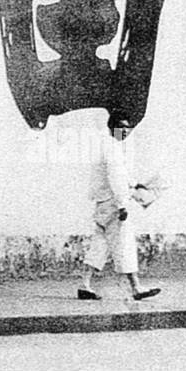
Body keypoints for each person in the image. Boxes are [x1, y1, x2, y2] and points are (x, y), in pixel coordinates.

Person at [78, 119, 162, 301]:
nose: (125, 131)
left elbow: (116, 176)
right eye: (121, 128)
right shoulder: (114, 148)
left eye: (127, 128)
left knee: (100, 244)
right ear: (112, 127)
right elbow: (115, 178)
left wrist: (133, 183)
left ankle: (84, 285)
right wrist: (122, 205)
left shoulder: (105, 146)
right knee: (124, 244)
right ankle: (136, 287)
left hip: (102, 204)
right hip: (114, 204)